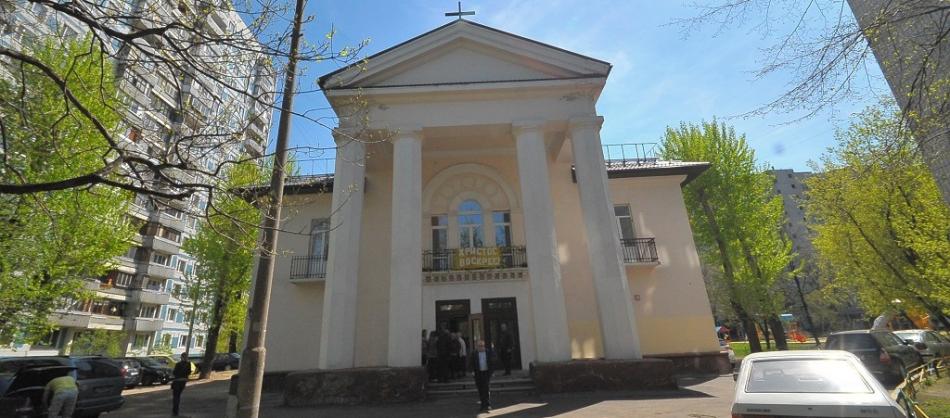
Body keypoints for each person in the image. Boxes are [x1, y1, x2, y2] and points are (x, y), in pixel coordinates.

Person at [470, 339, 494, 412]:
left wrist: (491, 372)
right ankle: (482, 405)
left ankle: (487, 404)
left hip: (486, 373)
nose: (481, 347)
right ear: (477, 346)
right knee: (480, 389)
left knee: (486, 389)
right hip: (478, 373)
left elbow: (492, 362)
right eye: (480, 346)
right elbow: (471, 363)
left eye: (482, 346)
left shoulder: (488, 352)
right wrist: (472, 371)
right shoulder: (474, 353)